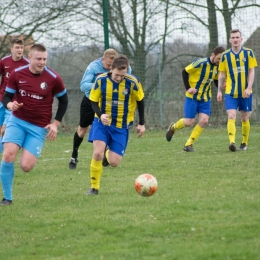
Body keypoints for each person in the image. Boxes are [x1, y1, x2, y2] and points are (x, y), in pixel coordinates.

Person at [0, 43, 68, 206]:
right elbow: (6, 97)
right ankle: (7, 198)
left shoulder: (53, 78)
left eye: (44, 59)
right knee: (8, 154)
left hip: (38, 127)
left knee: (26, 166)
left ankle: (23, 143)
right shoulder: (17, 74)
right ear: (29, 58)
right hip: (17, 120)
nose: (42, 62)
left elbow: (64, 100)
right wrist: (10, 105)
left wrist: (55, 124)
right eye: (38, 59)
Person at [86, 54, 145, 195]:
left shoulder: (133, 82)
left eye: (122, 75)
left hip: (121, 127)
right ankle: (94, 187)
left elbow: (141, 101)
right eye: (117, 74)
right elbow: (93, 101)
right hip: (102, 123)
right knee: (97, 152)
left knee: (114, 162)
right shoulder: (101, 80)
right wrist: (101, 115)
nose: (119, 78)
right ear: (111, 68)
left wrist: (141, 123)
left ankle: (108, 155)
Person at [68, 49, 132, 170]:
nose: (110, 69)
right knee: (82, 130)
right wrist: (103, 86)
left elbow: (130, 81)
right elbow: (83, 85)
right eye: (108, 65)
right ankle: (74, 155)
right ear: (103, 59)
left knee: (107, 128)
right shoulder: (93, 67)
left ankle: (106, 155)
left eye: (111, 67)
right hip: (90, 101)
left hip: (109, 103)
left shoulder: (124, 68)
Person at [166, 46, 225, 152]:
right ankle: (173, 128)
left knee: (204, 121)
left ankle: (188, 144)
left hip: (205, 98)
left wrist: (220, 88)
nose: (220, 61)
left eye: (222, 59)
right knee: (189, 122)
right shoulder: (201, 63)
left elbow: (216, 80)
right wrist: (188, 88)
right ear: (213, 55)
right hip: (192, 98)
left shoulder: (218, 67)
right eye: (219, 58)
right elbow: (184, 72)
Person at [217, 29, 258, 152]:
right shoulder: (225, 55)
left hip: (245, 93)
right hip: (230, 92)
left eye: (237, 37)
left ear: (241, 39)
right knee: (231, 115)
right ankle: (232, 143)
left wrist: (248, 88)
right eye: (233, 37)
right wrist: (219, 90)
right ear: (230, 40)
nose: (235, 39)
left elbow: (251, 71)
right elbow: (222, 74)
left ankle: (244, 143)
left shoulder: (249, 53)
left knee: (244, 117)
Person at [0, 38, 30, 153]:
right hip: (2, 99)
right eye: (17, 47)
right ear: (11, 49)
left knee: (5, 128)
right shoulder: (4, 61)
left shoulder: (27, 64)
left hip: (15, 103)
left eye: (21, 48)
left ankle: (8, 153)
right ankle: (5, 152)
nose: (20, 50)